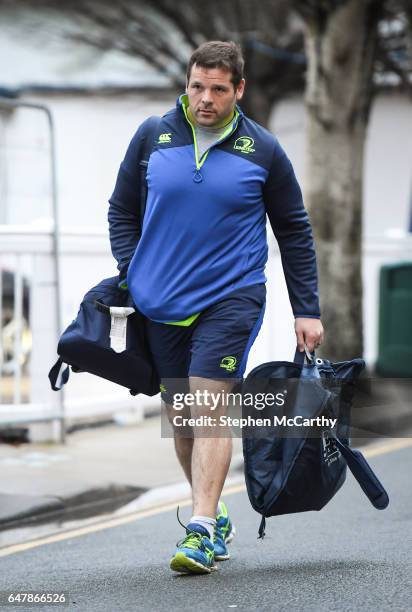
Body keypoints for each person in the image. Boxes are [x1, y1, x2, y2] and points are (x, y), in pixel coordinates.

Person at [108, 40, 324, 575]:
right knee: (182, 418)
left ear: (239, 90)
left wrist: (307, 308)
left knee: (207, 406)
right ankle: (214, 512)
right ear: (187, 82)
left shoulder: (264, 150)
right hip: (160, 301)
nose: (205, 99)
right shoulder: (152, 137)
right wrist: (133, 272)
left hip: (232, 295)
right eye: (197, 86)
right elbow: (121, 211)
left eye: (218, 89)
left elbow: (294, 231)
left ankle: (201, 530)